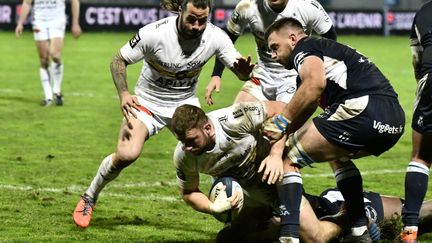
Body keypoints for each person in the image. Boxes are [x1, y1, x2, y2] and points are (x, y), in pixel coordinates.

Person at [72, 0, 255, 228]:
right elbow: (118, 59)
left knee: (212, 148)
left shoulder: (215, 36)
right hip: (148, 103)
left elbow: (238, 67)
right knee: (127, 154)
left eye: (202, 20)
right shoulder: (154, 34)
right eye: (192, 19)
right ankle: (90, 196)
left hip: (185, 105)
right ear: (181, 11)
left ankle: (231, 204)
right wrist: (124, 94)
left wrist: (243, 73)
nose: (197, 26)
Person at [261, 17, 405, 242]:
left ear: (292, 38)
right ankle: (359, 230)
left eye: (274, 47)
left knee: (288, 158)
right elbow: (302, 108)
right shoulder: (325, 52)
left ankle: (288, 236)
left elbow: (314, 84)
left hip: (362, 110)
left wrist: (279, 128)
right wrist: (282, 133)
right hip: (393, 121)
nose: (272, 55)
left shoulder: (305, 48)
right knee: (336, 155)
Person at [171, 101, 342, 243]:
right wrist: (212, 207)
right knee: (228, 240)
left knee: (314, 239)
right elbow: (189, 191)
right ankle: (277, 219)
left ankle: (347, 215)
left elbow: (281, 110)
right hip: (250, 197)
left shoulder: (234, 119)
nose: (187, 147)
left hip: (278, 182)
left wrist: (276, 153)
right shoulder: (183, 155)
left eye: (191, 140)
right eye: (182, 142)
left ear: (208, 128)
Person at [206, 0, 336, 106]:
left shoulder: (307, 6)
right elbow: (226, 42)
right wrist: (217, 74)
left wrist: (316, 71)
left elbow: (330, 37)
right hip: (261, 75)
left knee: (277, 126)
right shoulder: (247, 7)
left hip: (294, 77)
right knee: (237, 120)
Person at [401, 1, 432, 242]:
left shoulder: (423, 11)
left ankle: (410, 230)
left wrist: (423, 87)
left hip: (431, 81)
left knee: (421, 157)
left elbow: (417, 60)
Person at [15, 0, 82, 106]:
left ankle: (57, 90)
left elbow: (75, 2)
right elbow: (27, 3)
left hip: (57, 20)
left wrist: (75, 24)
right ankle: (48, 96)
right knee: (44, 59)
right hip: (39, 21)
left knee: (55, 54)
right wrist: (20, 23)